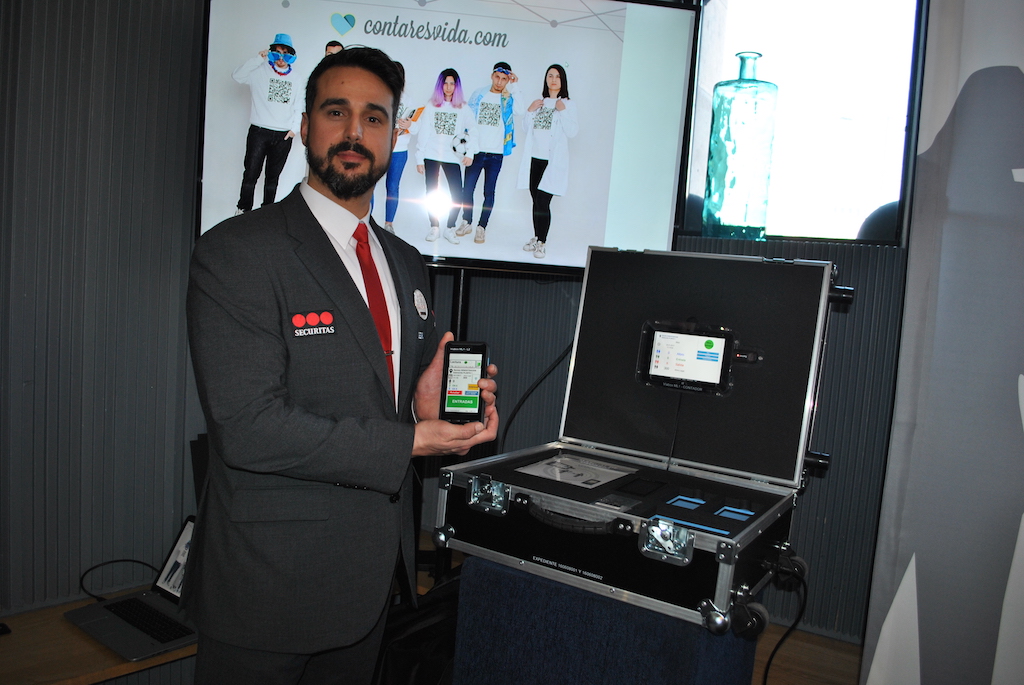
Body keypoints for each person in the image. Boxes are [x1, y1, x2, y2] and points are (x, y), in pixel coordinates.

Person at [184, 47, 499, 685]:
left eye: (374, 118)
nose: (355, 132)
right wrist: (413, 439)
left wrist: (422, 409)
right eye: (336, 112)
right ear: (304, 127)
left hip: (371, 584)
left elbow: (382, 403)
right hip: (266, 591)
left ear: (393, 135)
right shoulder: (238, 251)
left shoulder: (406, 262)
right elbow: (248, 428)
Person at [231, 33, 304, 215]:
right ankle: (243, 210)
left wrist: (293, 130)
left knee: (272, 178)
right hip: (259, 131)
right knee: (251, 174)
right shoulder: (259, 72)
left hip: (283, 136)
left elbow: (299, 105)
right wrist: (258, 59)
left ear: (291, 55)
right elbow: (237, 76)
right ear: (271, 52)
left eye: (285, 53)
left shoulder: (296, 79)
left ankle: (267, 214)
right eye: (277, 52)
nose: (281, 58)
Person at [456, 62, 522, 244]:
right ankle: (467, 221)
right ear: (492, 76)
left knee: (489, 192)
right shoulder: (479, 94)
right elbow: (467, 121)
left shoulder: (508, 98)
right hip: (476, 151)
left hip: (495, 154)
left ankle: (481, 227)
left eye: (504, 79)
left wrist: (515, 86)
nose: (499, 82)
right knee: (467, 189)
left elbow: (520, 110)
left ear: (508, 80)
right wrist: (466, 148)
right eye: (497, 77)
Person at [517, 64, 578, 259]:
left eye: (557, 77)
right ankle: (536, 237)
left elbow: (572, 131)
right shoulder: (540, 103)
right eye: (550, 76)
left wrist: (563, 111)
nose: (553, 80)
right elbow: (526, 129)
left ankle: (542, 242)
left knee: (543, 201)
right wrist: (529, 110)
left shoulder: (567, 104)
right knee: (536, 201)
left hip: (552, 162)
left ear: (563, 81)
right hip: (535, 159)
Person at [412, 68, 475, 244]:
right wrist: (419, 157)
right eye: (445, 83)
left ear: (457, 86)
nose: (448, 87)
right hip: (431, 154)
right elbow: (424, 132)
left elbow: (473, 130)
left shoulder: (463, 108)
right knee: (431, 193)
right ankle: (434, 227)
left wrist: (470, 152)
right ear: (440, 85)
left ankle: (450, 228)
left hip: (452, 157)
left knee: (457, 195)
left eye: (452, 83)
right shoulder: (431, 105)